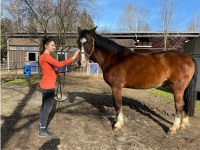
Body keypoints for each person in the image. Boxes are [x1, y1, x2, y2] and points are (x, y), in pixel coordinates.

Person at [38, 38, 80, 137]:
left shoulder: (43, 56)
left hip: (46, 85)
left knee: (44, 108)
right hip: (48, 87)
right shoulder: (46, 56)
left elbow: (48, 70)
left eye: (54, 45)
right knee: (46, 109)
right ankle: (42, 131)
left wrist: (57, 72)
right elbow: (60, 64)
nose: (54, 47)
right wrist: (73, 57)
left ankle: (42, 126)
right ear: (46, 46)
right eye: (52, 45)